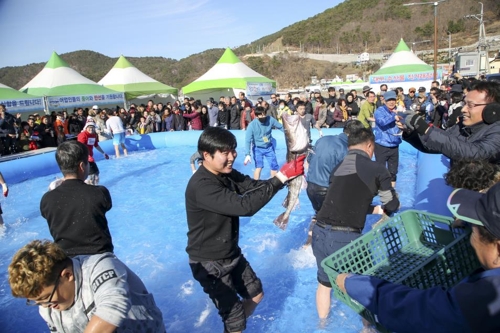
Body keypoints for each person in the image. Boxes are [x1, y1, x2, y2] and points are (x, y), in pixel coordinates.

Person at [335, 180, 500, 333]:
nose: (471, 238)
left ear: (498, 249)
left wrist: (351, 283)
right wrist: (466, 221)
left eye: (474, 230)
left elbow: (419, 311)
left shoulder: (486, 298)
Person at [185, 127, 305, 333]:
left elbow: (253, 187)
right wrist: (281, 178)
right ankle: (233, 322)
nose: (232, 157)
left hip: (231, 254)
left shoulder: (226, 174)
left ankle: (232, 323)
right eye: (225, 153)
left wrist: (286, 177)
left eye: (233, 150)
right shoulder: (202, 186)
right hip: (209, 262)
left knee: (256, 295)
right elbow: (245, 207)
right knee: (235, 320)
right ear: (207, 155)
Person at [312, 127, 399, 322]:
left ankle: (322, 325)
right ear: (370, 145)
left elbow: (346, 201)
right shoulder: (377, 169)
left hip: (319, 233)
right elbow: (391, 204)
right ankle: (366, 327)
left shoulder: (338, 168)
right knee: (365, 282)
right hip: (345, 237)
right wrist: (387, 208)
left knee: (324, 284)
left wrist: (375, 210)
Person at [8, 240, 166, 333]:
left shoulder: (101, 266)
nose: (46, 306)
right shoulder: (47, 307)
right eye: (36, 301)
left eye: (45, 298)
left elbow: (113, 307)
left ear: (67, 275)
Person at [40, 141, 113, 256]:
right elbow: (104, 205)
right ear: (82, 166)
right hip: (99, 256)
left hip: (66, 260)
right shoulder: (99, 192)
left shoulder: (47, 199)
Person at [403, 80, 500, 164]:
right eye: (464, 103)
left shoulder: (497, 131)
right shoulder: (462, 126)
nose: (463, 109)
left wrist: (427, 129)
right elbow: (436, 144)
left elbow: (475, 153)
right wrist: (411, 131)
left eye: (470, 105)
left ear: (492, 109)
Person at [244, 106, 284, 180]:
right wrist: (247, 154)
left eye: (264, 114)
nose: (263, 116)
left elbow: (281, 127)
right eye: (260, 115)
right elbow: (247, 140)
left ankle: (273, 184)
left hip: (269, 147)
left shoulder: (270, 119)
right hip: (257, 148)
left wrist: (289, 134)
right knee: (259, 167)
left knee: (274, 166)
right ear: (256, 116)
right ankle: (256, 184)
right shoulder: (252, 125)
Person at [374, 90, 403, 187]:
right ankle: (380, 191)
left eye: (393, 100)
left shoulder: (399, 110)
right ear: (384, 101)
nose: (391, 102)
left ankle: (392, 193)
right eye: (389, 100)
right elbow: (382, 122)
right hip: (382, 144)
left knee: (393, 171)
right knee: (380, 170)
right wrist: (394, 116)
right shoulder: (379, 111)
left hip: (395, 144)